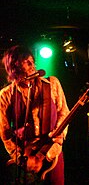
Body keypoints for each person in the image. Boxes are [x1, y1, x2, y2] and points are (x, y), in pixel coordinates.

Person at [0, 45, 70, 185]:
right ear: (14, 66)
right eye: (26, 61)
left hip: (51, 152)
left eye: (32, 60)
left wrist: (57, 140)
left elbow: (64, 113)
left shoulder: (52, 84)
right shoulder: (5, 95)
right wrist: (20, 157)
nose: (32, 64)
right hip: (26, 157)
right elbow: (5, 133)